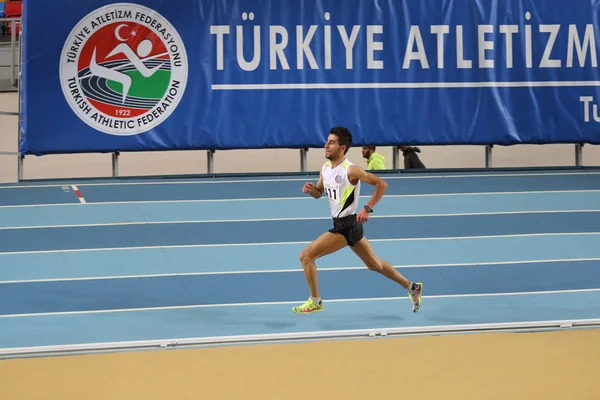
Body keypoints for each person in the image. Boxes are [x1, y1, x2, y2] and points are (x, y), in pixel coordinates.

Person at [293, 127, 423, 315]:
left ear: (342, 147)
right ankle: (412, 287)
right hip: (347, 226)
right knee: (375, 265)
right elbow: (318, 193)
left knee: (306, 257)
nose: (326, 145)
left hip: (346, 227)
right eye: (327, 141)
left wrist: (367, 208)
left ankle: (315, 301)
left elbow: (381, 184)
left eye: (331, 142)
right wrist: (311, 189)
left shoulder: (352, 170)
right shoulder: (325, 168)